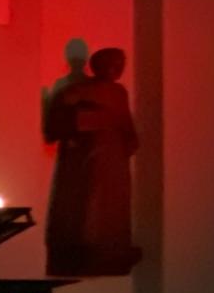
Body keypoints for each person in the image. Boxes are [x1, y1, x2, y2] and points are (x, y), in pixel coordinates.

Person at [43, 45, 142, 277]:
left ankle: (112, 248)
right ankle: (83, 248)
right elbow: (56, 126)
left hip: (114, 159)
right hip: (88, 159)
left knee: (112, 206)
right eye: (113, 63)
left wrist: (127, 140)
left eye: (121, 64)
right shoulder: (75, 91)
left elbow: (126, 124)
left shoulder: (119, 92)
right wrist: (88, 121)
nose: (118, 69)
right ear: (98, 65)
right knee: (88, 204)